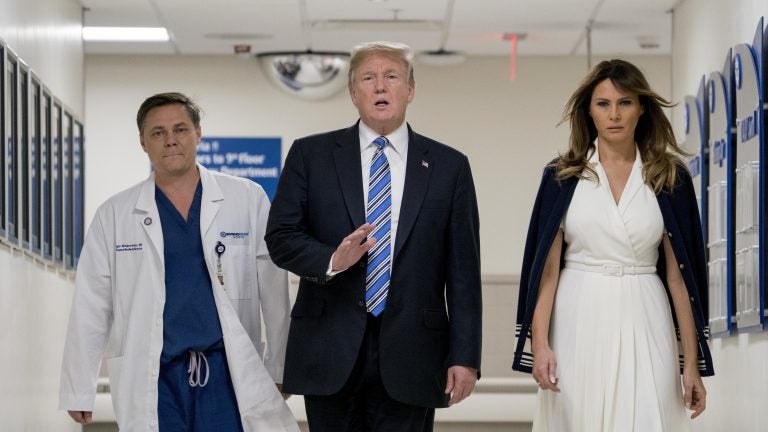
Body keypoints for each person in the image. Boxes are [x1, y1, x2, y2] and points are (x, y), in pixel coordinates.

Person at [265, 41, 482, 431]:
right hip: (329, 350)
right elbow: (280, 236)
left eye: (391, 77)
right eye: (368, 78)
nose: (380, 87)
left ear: (410, 90)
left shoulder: (450, 166)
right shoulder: (310, 156)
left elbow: (464, 271)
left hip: (415, 352)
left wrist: (465, 356)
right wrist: (332, 259)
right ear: (353, 92)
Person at [59, 92, 299, 431]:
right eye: (157, 133)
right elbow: (91, 303)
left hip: (228, 373)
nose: (170, 140)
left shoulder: (246, 198)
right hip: (156, 375)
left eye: (180, 129)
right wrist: (78, 386)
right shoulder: (115, 214)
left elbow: (275, 293)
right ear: (143, 142)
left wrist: (280, 368)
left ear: (198, 133)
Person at [512, 59, 714, 431]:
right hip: (577, 313)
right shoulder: (563, 176)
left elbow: (678, 278)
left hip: (646, 310)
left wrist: (691, 366)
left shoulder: (669, 177)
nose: (614, 114)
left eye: (625, 102)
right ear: (589, 111)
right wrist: (539, 346)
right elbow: (548, 271)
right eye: (603, 104)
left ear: (641, 108)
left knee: (647, 414)